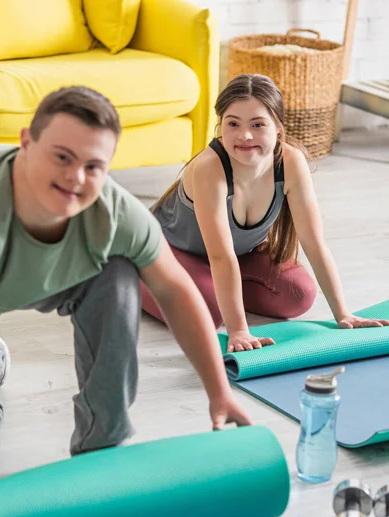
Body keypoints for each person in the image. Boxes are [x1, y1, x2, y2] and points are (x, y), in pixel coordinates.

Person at [0, 86, 253, 456]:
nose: (76, 178)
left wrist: (219, 392)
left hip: (67, 279)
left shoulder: (118, 215)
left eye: (92, 166)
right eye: (62, 157)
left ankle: (101, 443)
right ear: (27, 143)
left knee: (119, 274)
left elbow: (176, 291)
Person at [141, 74, 389, 352]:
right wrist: (238, 331)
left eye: (258, 124)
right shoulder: (210, 168)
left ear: (279, 128)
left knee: (298, 296)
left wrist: (344, 314)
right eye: (232, 123)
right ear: (220, 125)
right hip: (167, 251)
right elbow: (220, 256)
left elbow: (314, 243)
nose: (245, 135)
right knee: (207, 315)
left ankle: (207, 288)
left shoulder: (291, 162)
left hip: (235, 256)